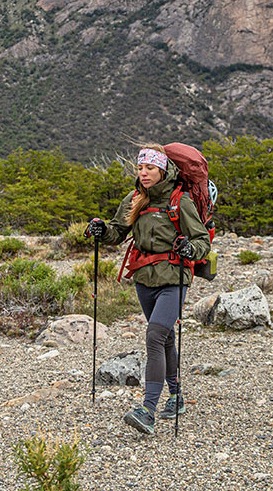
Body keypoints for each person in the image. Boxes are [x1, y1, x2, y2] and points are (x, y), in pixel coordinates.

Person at [87, 143, 211, 435]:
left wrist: (189, 247)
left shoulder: (180, 202)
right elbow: (118, 231)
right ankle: (176, 396)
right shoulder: (134, 199)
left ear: (162, 170)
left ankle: (148, 410)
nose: (143, 173)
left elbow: (202, 240)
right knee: (164, 337)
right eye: (141, 168)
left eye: (150, 168)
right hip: (144, 280)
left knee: (155, 335)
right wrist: (101, 230)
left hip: (173, 277)